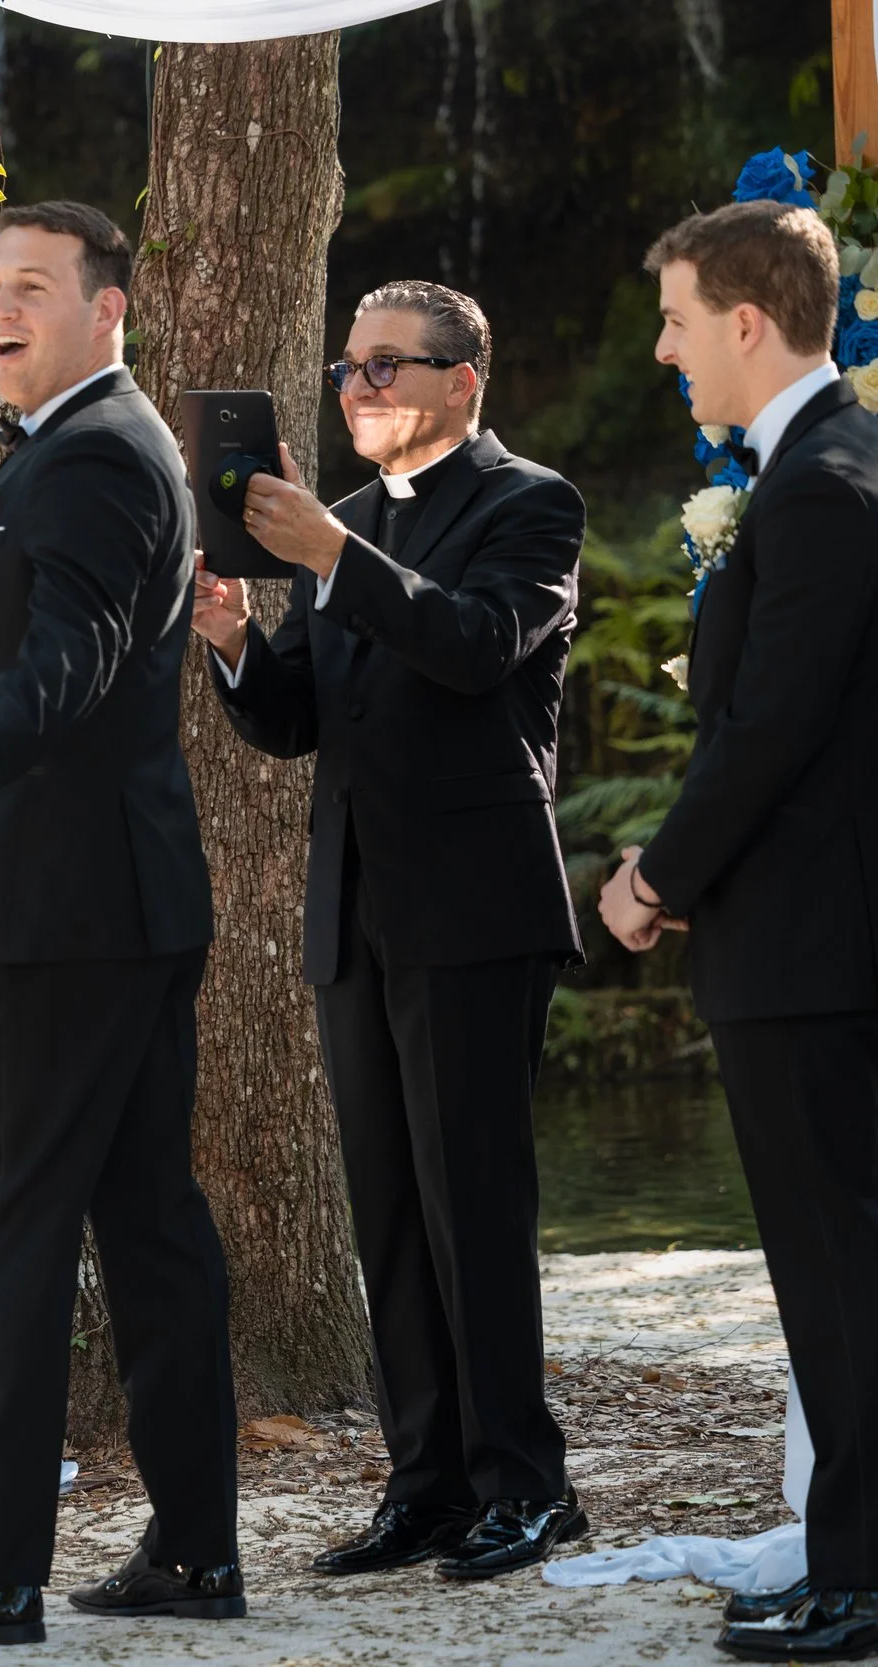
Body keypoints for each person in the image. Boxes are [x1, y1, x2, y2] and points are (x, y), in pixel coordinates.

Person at [0, 202, 239, 1645]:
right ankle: (196, 1550)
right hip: (110, 899)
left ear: (107, 310)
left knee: (13, 1226)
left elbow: (75, 650)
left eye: (31, 286)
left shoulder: (90, 455)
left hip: (56, 908)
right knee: (146, 1224)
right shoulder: (89, 448)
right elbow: (76, 623)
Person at [190, 281, 588, 1581]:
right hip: (355, 911)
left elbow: (473, 646)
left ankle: (527, 1486)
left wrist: (327, 557)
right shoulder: (346, 525)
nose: (356, 388)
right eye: (347, 368)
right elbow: (298, 718)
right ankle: (424, 1485)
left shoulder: (533, 503)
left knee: (478, 1204)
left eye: (384, 368)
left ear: (462, 377)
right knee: (393, 1216)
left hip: (476, 907)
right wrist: (239, 641)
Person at [600, 199, 878, 1665]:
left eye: (681, 320)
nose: (664, 348)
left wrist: (656, 878)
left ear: (751, 324)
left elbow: (772, 733)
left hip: (816, 949)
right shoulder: (827, 467)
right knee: (837, 1269)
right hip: (811, 940)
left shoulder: (825, 484)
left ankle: (862, 1579)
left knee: (841, 1275)